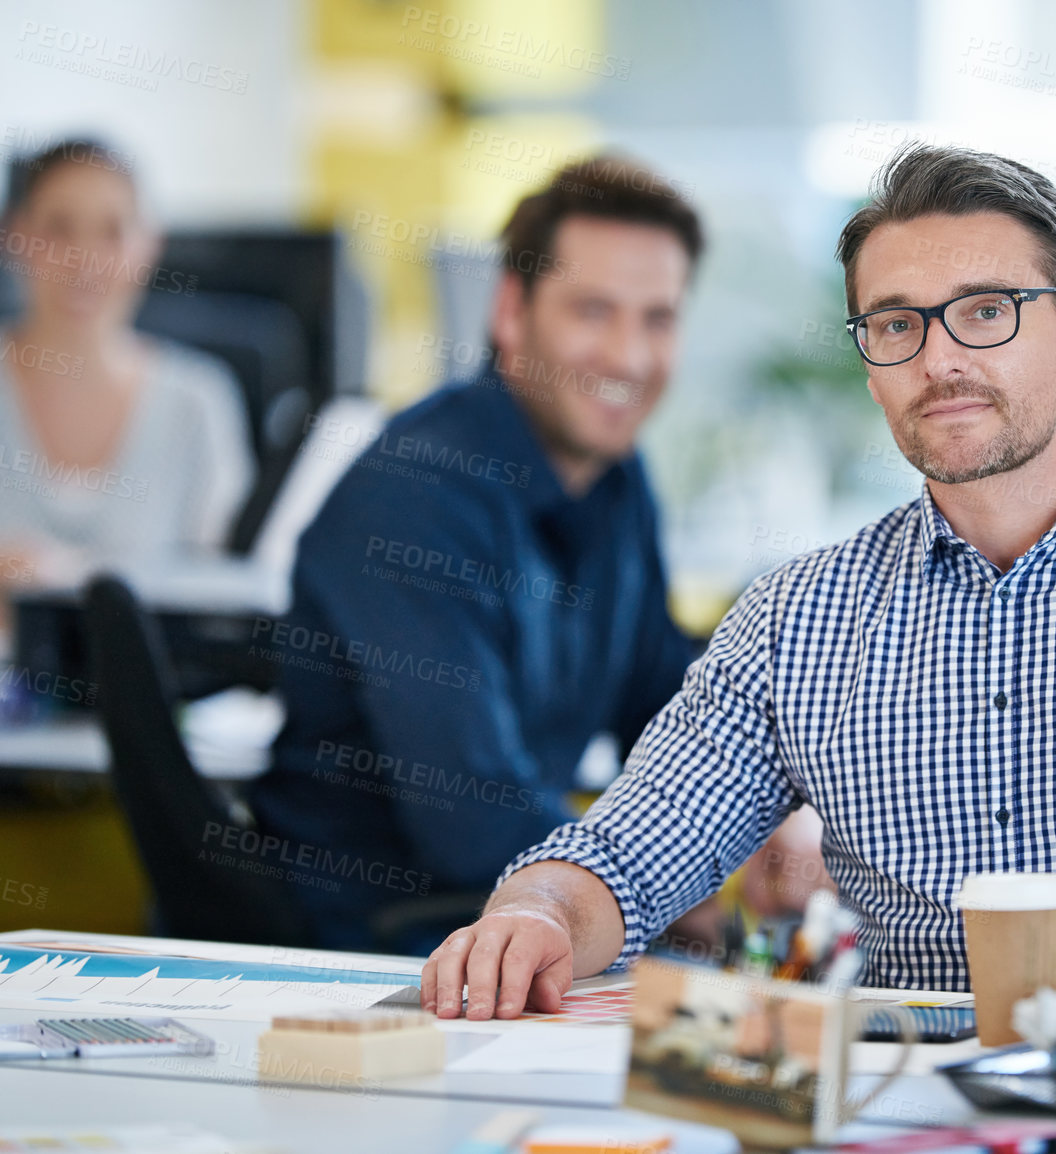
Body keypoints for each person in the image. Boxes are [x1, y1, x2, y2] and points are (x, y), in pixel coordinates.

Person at [423, 144, 1056, 1019]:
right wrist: (538, 914)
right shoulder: (800, 615)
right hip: (898, 1108)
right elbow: (624, 854)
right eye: (898, 322)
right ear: (870, 357)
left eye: (987, 311)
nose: (941, 357)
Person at [251, 155, 822, 952]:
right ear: (511, 313)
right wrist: (683, 906)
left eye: (657, 318)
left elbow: (665, 711)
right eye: (593, 310)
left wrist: (769, 828)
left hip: (518, 925)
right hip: (376, 944)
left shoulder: (619, 481)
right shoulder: (416, 493)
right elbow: (472, 817)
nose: (628, 356)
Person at [0, 138, 253, 600]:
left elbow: (225, 593)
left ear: (149, 246)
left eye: (111, 231)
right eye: (59, 229)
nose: (84, 260)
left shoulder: (196, 401)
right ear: (16, 237)